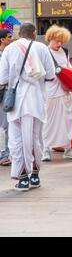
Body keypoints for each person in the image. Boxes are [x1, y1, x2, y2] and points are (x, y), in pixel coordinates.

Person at [0, 23, 55, 191]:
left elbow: (2, 79)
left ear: (19, 33)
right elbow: (51, 75)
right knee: (35, 139)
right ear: (34, 33)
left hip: (16, 103)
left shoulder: (9, 49)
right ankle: (35, 176)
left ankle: (23, 178)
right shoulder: (42, 48)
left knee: (16, 140)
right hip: (36, 101)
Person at [42, 25, 72, 162]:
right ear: (50, 38)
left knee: (67, 119)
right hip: (51, 91)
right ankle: (45, 149)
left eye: (61, 41)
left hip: (65, 90)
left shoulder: (65, 51)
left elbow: (69, 67)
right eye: (57, 40)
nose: (59, 44)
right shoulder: (44, 51)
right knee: (49, 120)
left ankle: (68, 149)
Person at [0, 29, 13, 166]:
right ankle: (3, 155)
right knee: (4, 125)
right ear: (2, 39)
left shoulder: (6, 54)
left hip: (4, 92)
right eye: (9, 37)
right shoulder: (3, 56)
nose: (11, 39)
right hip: (2, 93)